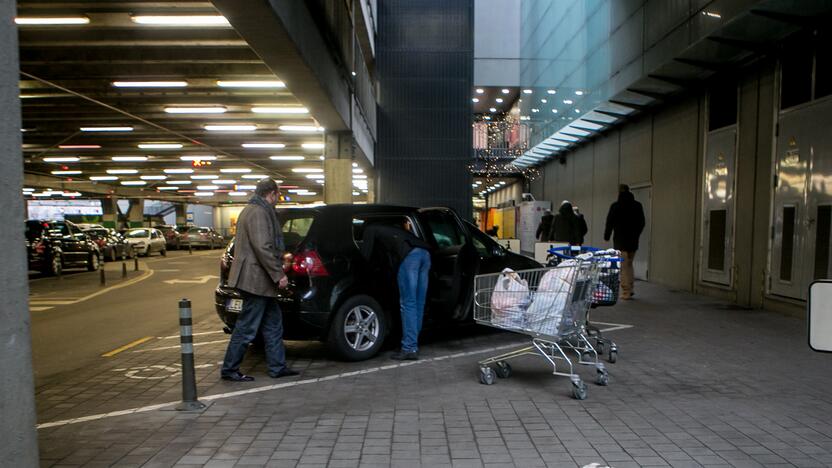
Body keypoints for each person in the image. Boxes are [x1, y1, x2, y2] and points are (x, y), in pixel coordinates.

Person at [221, 178, 299, 381]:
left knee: (273, 324)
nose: (277, 200)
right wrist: (278, 274)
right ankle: (229, 369)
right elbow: (262, 247)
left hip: (258, 281)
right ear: (271, 193)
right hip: (255, 281)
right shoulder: (258, 212)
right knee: (247, 327)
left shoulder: (252, 209)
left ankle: (277, 367)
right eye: (277, 195)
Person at [361, 219, 431, 360]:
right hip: (425, 254)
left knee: (408, 304)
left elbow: (365, 255)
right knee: (418, 303)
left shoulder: (370, 229)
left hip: (409, 257)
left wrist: (361, 274)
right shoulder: (392, 229)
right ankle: (412, 345)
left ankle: (409, 348)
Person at [604, 184, 646, 300]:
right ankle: (631, 288)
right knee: (629, 264)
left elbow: (609, 222)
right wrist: (636, 233)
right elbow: (642, 222)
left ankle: (626, 291)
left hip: (620, 240)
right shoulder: (638, 206)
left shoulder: (615, 206)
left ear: (619, 192)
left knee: (623, 266)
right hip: (633, 240)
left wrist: (607, 235)